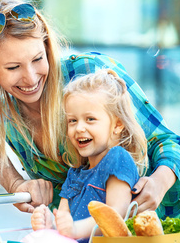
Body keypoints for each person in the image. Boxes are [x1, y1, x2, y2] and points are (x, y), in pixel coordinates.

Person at [0, 0, 180, 228]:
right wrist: (17, 184)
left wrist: (159, 183)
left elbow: (166, 140)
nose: (30, 78)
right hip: (97, 233)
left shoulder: (90, 73)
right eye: (13, 68)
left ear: (47, 47)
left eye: (37, 59)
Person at [31, 68, 148, 242]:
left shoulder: (117, 158)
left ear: (117, 124)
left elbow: (116, 216)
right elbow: (64, 220)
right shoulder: (74, 174)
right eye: (73, 120)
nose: (79, 128)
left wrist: (75, 229)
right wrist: (50, 224)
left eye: (90, 119)